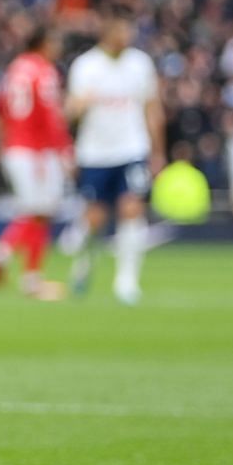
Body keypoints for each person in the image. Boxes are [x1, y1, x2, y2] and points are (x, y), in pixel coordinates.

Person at [62, 16, 164, 304]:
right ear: (106, 32)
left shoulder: (140, 64)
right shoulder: (86, 66)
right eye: (120, 28)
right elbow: (69, 111)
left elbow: (152, 109)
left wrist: (158, 152)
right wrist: (79, 105)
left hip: (132, 149)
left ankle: (127, 281)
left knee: (132, 208)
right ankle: (84, 265)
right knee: (94, 218)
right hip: (95, 152)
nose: (126, 34)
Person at [0, 24, 71, 300]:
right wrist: (65, 149)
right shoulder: (44, 71)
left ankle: (32, 279)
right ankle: (3, 252)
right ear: (43, 43)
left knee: (38, 212)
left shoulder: (14, 69)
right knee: (38, 210)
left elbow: (0, 106)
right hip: (37, 151)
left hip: (14, 146)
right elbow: (50, 114)